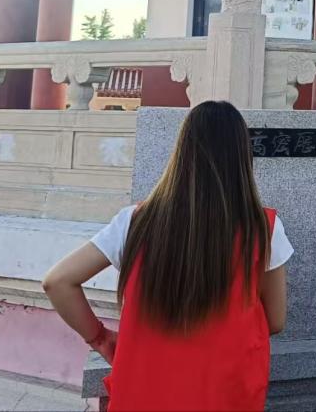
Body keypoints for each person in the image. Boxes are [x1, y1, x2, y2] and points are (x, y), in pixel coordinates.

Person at [43, 100, 293, 411]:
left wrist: (100, 339)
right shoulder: (264, 228)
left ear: (182, 152)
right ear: (242, 157)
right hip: (224, 394)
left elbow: (58, 281)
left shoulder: (135, 221)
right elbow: (276, 320)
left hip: (144, 395)